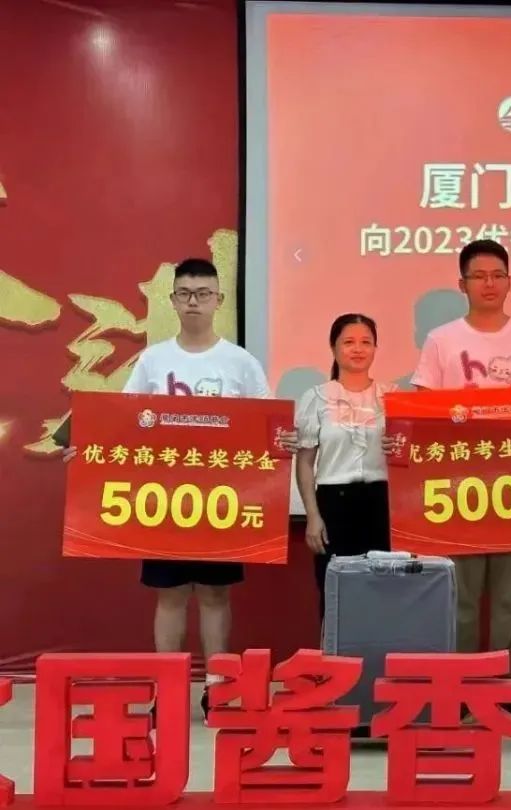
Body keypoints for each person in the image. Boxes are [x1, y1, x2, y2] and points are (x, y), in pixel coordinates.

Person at [63, 258, 296, 721]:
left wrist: (283, 439)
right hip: (165, 497)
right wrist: (86, 450)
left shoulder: (240, 362)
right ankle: (166, 692)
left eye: (203, 294)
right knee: (169, 595)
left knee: (214, 595)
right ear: (172, 300)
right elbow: (123, 420)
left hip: (220, 498)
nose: (194, 302)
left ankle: (217, 689)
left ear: (218, 300)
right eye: (185, 293)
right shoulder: (153, 360)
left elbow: (268, 423)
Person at [406, 239, 511, 722]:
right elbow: (422, 410)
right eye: (479, 276)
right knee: (461, 595)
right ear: (462, 284)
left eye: (497, 275)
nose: (489, 284)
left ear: (510, 282)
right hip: (458, 488)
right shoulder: (441, 340)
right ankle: (456, 685)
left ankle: (505, 686)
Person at [295, 313, 392, 621]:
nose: (358, 349)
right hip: (333, 505)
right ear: (334, 347)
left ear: (375, 348)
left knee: (383, 591)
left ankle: (378, 652)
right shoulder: (316, 398)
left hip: (382, 503)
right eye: (349, 342)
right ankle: (335, 653)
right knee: (335, 592)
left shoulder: (391, 396)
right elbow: (305, 462)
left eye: (366, 342)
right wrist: (312, 516)